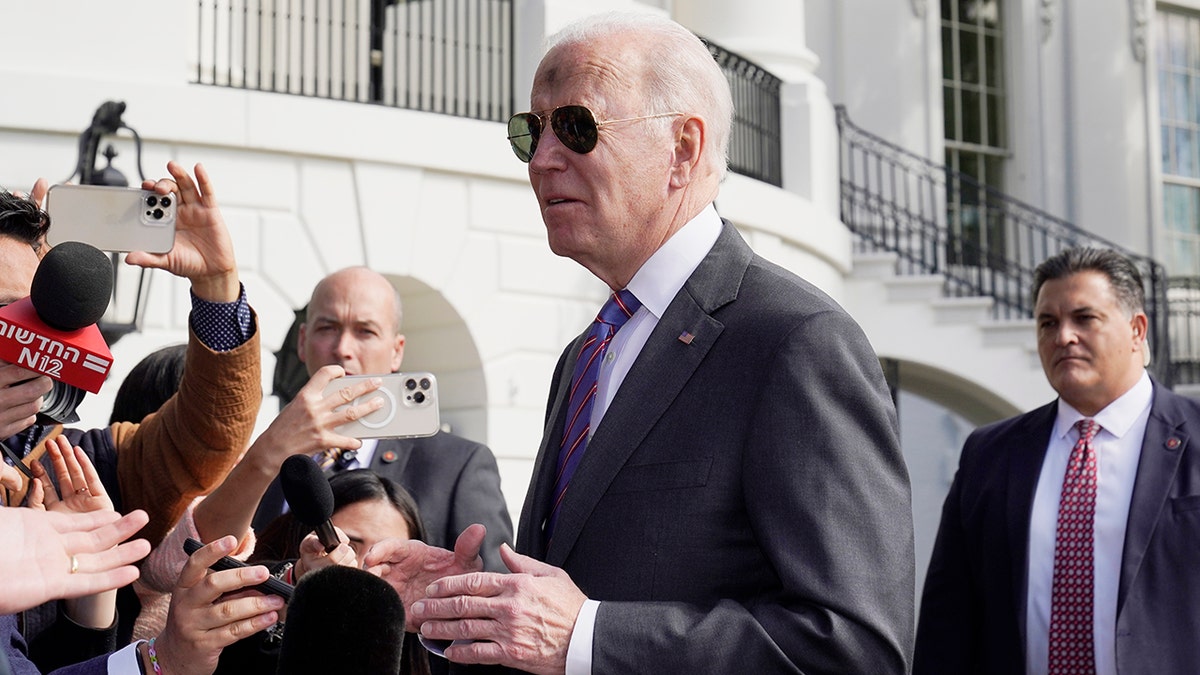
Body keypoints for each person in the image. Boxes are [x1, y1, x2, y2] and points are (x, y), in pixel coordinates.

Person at [367, 12, 914, 674]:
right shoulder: (587, 355)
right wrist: (468, 607)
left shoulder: (795, 341)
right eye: (530, 131)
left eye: (575, 126)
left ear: (684, 148)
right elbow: (562, 607)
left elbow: (855, 648)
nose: (542, 159)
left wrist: (590, 634)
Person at [0, 163, 262, 665]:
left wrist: (216, 285)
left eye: (41, 310)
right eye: (8, 310)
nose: (26, 337)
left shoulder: (67, 462)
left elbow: (205, 437)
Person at [913, 247, 1200, 674]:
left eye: (1084, 318)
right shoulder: (988, 456)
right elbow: (947, 620)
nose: (1063, 335)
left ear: (1137, 330)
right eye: (1048, 323)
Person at [250, 266, 513, 572]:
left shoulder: (456, 467)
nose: (343, 349)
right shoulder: (265, 458)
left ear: (396, 351)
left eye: (365, 331)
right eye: (327, 328)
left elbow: (493, 588)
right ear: (302, 342)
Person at [214, 469, 431, 675]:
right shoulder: (242, 599)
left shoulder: (426, 637)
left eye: (390, 558)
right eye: (350, 548)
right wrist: (293, 592)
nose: (366, 568)